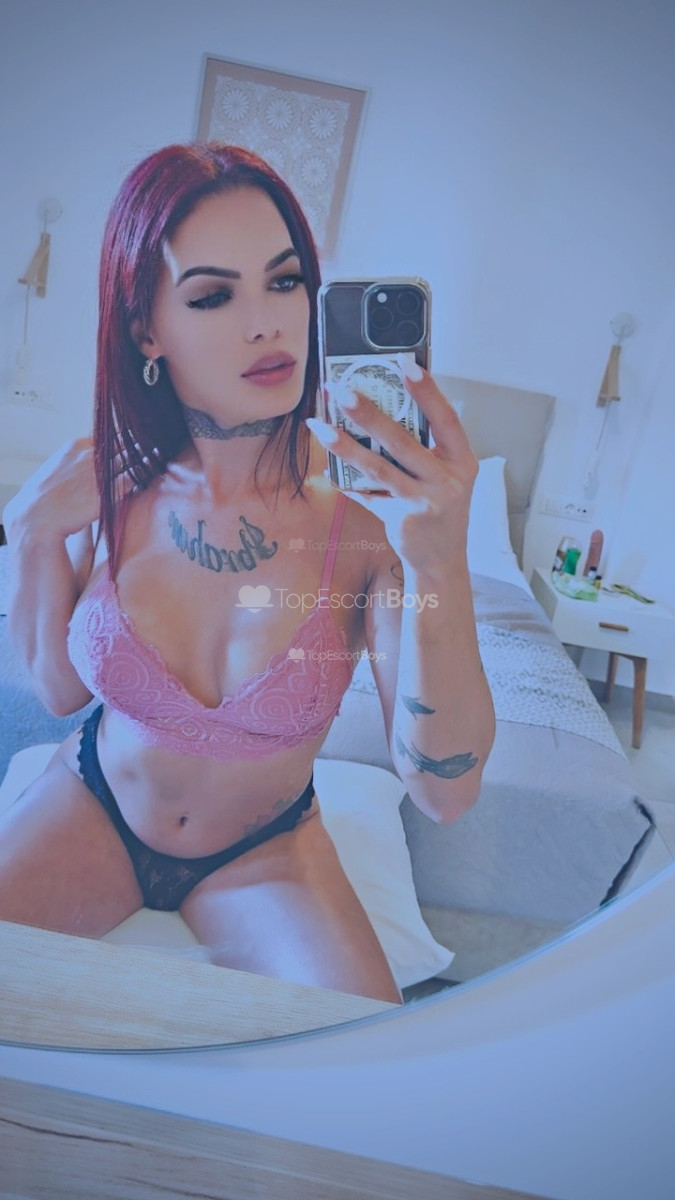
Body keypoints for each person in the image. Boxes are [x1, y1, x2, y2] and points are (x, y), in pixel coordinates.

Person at [0, 143, 495, 1004]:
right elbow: (58, 691)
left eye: (286, 280)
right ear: (147, 330)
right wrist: (31, 534)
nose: (267, 324)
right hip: (93, 806)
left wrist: (440, 556)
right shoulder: (109, 484)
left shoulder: (370, 524)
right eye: (213, 295)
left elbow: (443, 795)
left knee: (360, 1058)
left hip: (263, 851)